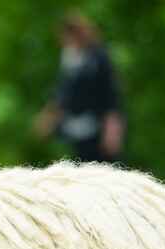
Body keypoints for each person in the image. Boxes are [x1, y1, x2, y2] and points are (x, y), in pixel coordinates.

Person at [34, 12, 125, 163]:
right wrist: (49, 115)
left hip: (98, 126)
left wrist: (112, 127)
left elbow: (110, 93)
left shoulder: (98, 57)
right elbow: (63, 92)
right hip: (75, 127)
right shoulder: (69, 58)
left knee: (103, 166)